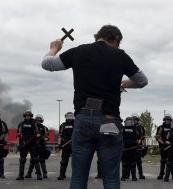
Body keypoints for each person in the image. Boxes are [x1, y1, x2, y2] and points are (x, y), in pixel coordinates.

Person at [41, 24, 148, 189]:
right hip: (109, 120)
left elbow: (47, 63)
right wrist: (122, 83)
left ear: (98, 36)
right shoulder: (120, 56)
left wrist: (55, 48)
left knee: (78, 177)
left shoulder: (79, 51)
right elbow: (142, 81)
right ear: (116, 40)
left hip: (83, 118)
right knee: (111, 177)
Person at [16, 110, 42, 180]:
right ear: (24, 116)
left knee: (35, 159)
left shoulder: (34, 124)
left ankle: (39, 175)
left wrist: (37, 136)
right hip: (24, 143)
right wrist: (18, 145)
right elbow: (18, 135)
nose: (28, 116)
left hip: (32, 144)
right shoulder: (21, 124)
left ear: (31, 116)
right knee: (22, 159)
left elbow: (38, 133)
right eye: (26, 115)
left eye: (29, 115)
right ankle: (20, 175)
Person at [25, 114, 49, 179]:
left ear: (41, 121)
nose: (38, 121)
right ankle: (31, 174)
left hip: (41, 145)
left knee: (42, 159)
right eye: (37, 120)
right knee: (34, 160)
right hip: (34, 145)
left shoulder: (44, 128)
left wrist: (43, 138)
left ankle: (45, 173)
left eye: (39, 120)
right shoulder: (32, 127)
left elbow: (47, 137)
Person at [155, 114, 173, 180]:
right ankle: (161, 174)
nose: (167, 121)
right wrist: (163, 143)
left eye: (169, 120)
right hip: (163, 146)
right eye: (166, 120)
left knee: (171, 161)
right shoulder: (161, 127)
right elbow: (158, 137)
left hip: (171, 146)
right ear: (164, 120)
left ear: (171, 121)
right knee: (163, 160)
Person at [121, 117, 140, 181]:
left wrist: (138, 143)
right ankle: (123, 176)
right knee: (124, 163)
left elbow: (138, 137)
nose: (129, 122)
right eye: (127, 121)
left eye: (130, 121)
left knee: (133, 163)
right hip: (125, 148)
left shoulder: (135, 128)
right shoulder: (123, 128)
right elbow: (120, 137)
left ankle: (134, 177)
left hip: (133, 148)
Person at [57, 112, 74, 180]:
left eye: (70, 117)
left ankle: (76, 175)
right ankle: (62, 175)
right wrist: (59, 144)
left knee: (76, 161)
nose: (69, 118)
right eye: (68, 117)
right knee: (64, 161)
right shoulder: (63, 125)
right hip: (65, 145)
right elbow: (60, 135)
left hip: (74, 144)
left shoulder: (76, 124)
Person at [131, 113, 146, 179]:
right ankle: (126, 174)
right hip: (130, 146)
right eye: (133, 120)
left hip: (138, 146)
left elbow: (143, 136)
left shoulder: (140, 127)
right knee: (129, 161)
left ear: (137, 120)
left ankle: (140, 174)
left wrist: (143, 145)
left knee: (138, 161)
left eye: (135, 120)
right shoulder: (128, 127)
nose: (134, 121)